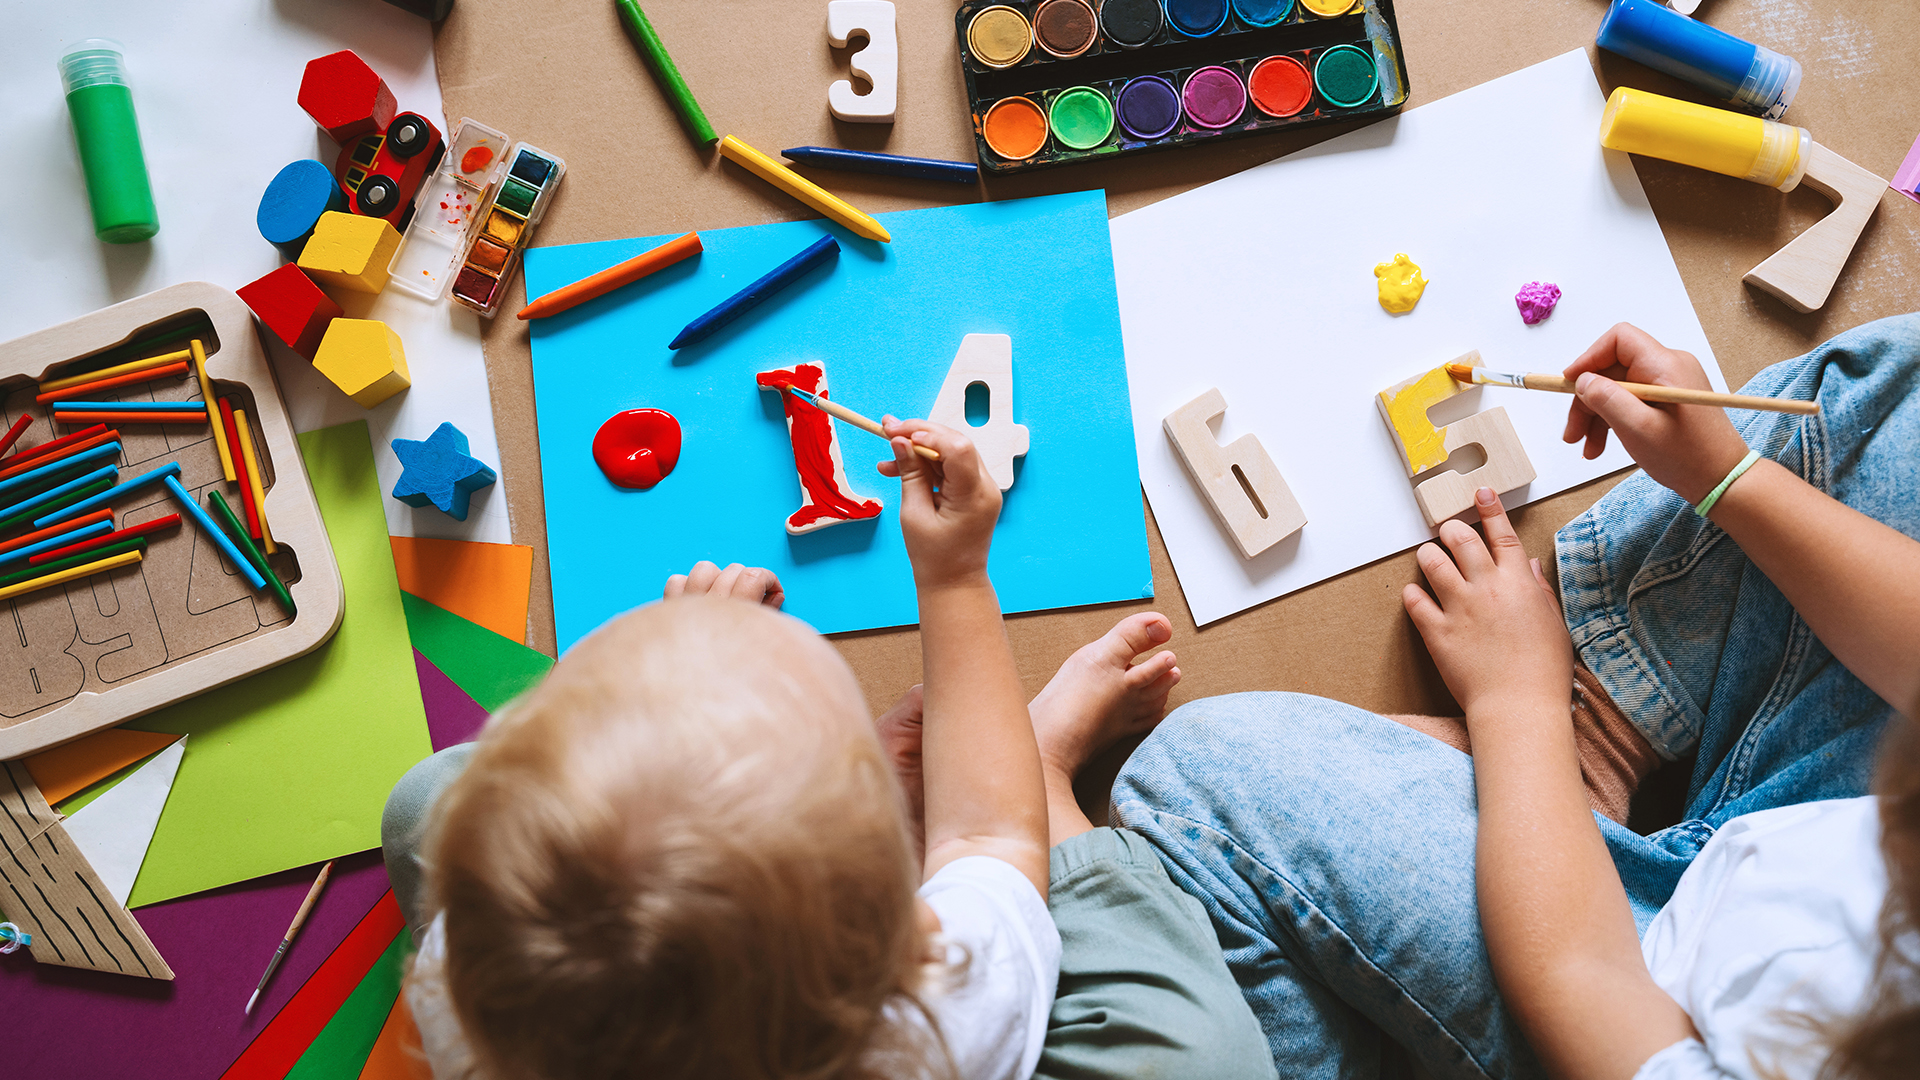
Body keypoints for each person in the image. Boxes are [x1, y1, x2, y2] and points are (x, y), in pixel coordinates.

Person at [1109, 315, 1920, 1079]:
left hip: (1640, 988)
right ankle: (1608, 720)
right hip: (1809, 844)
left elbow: (1581, 976)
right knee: (1900, 388)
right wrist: (1726, 476)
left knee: (1196, 776)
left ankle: (1584, 752)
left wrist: (1518, 703)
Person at [381, 418, 1278, 1080]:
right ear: (896, 920)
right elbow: (986, 839)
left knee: (430, 803)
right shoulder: (918, 1028)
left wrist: (688, 661)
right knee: (1201, 1058)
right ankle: (1037, 776)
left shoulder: (463, 979)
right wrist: (957, 575)